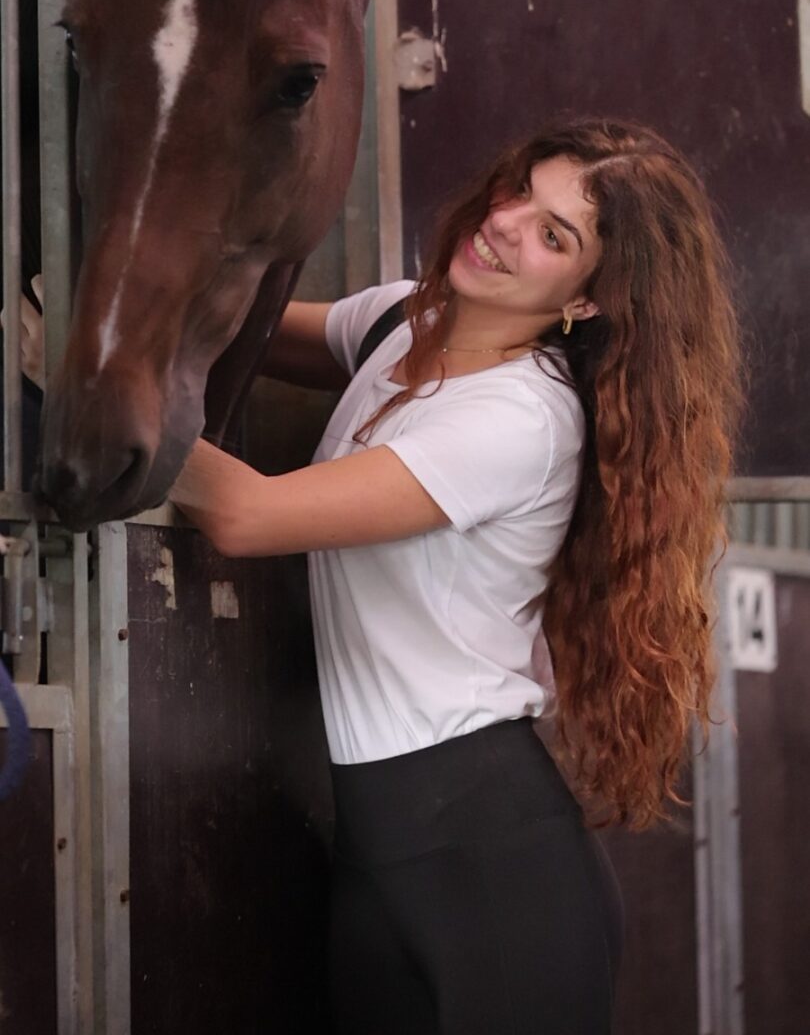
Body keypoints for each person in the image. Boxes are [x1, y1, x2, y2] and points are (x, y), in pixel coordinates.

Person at [18, 117, 741, 1035]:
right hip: (377, 842)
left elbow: (246, 517)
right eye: (523, 188)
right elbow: (238, 331)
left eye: (555, 234)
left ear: (589, 300)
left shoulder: (524, 417)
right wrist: (103, 292)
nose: (508, 222)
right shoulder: (407, 318)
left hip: (493, 867)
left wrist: (90, 386)